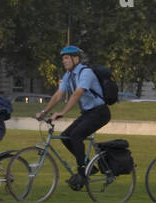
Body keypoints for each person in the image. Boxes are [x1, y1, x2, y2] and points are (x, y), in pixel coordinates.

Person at [37, 46, 110, 189]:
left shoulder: (86, 73)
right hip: (88, 113)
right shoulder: (68, 76)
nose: (64, 61)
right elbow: (59, 95)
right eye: (63, 58)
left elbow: (77, 93)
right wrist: (44, 112)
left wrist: (63, 112)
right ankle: (90, 166)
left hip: (100, 112)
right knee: (66, 136)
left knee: (76, 136)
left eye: (66, 58)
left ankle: (82, 174)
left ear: (76, 59)